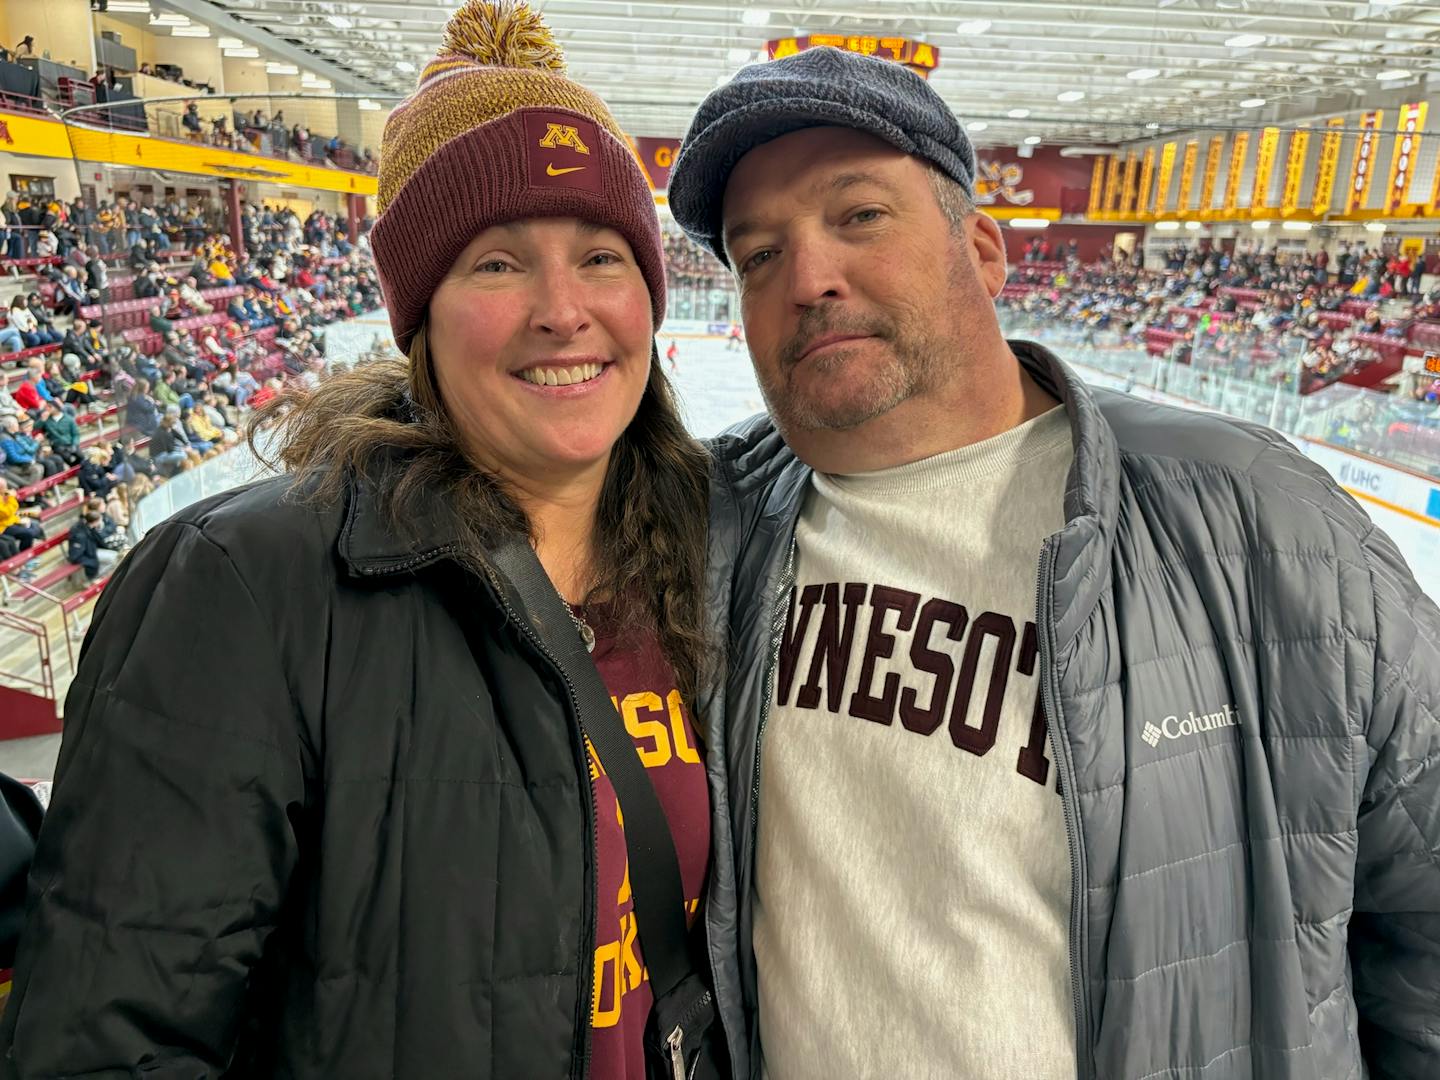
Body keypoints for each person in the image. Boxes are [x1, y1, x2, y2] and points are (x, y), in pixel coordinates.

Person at [667, 46, 1440, 1080]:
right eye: (758, 254)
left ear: (983, 251)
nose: (808, 276)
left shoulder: (1261, 521)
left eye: (859, 216)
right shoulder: (707, 526)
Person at [0, 3, 716, 1077]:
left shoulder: (714, 555)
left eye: (603, 256)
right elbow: (111, 1042)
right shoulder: (247, 589)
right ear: (418, 314)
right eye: (496, 263)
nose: (564, 310)